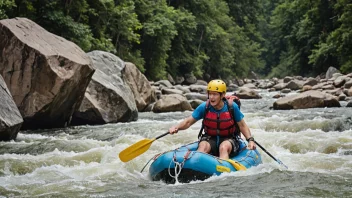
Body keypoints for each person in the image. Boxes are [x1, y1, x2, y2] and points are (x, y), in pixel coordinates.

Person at [169, 79, 256, 159]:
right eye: (210, 94)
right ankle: (196, 169)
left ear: (222, 95)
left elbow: (242, 126)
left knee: (223, 147)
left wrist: (250, 140)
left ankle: (223, 171)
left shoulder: (232, 107)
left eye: (215, 94)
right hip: (210, 138)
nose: (211, 97)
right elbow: (188, 122)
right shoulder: (205, 107)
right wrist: (176, 127)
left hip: (229, 138)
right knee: (202, 147)